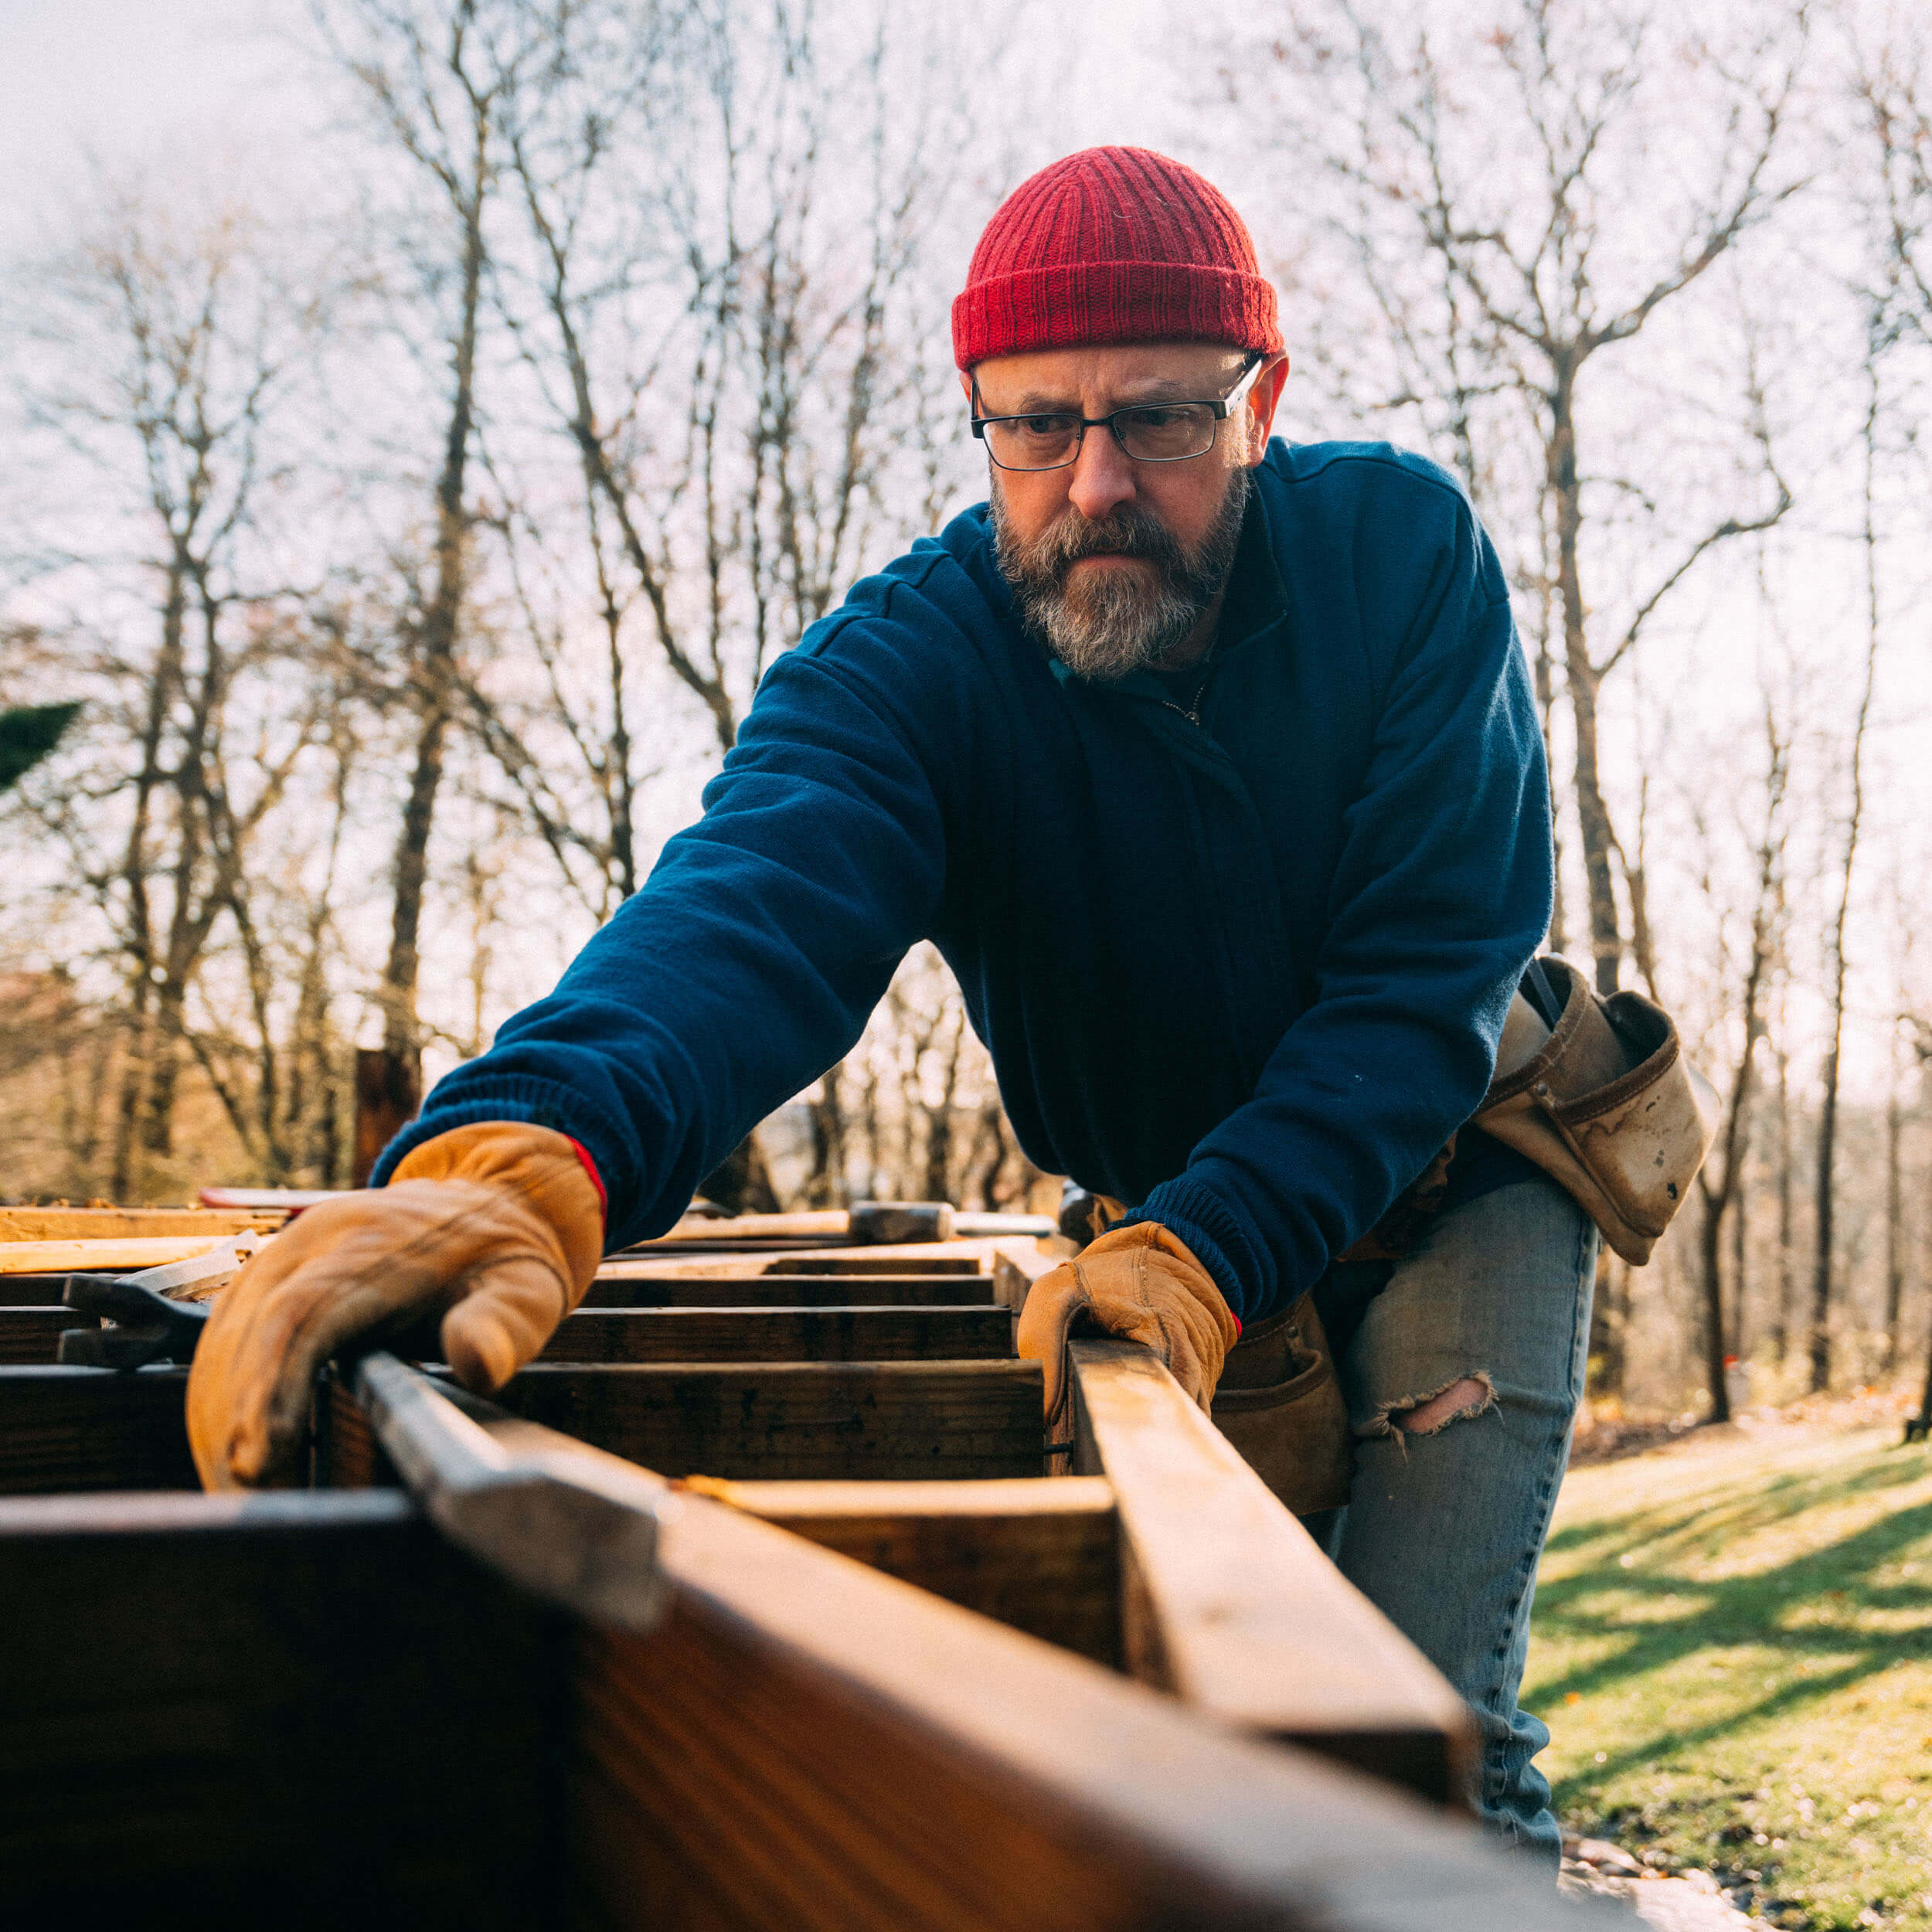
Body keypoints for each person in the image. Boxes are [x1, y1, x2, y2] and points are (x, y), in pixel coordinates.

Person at [188, 146, 1597, 1864]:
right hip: (1168, 1219)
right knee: (1248, 1707)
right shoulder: (915, 664)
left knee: (1428, 1729)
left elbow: (1416, 982)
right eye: (1037, 425)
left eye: (1159, 419)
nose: (1096, 484)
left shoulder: (1401, 554)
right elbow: (747, 908)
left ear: (1260, 403)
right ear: (979, 418)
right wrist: (528, 1147)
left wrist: (1213, 1247)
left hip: (1453, 1172)